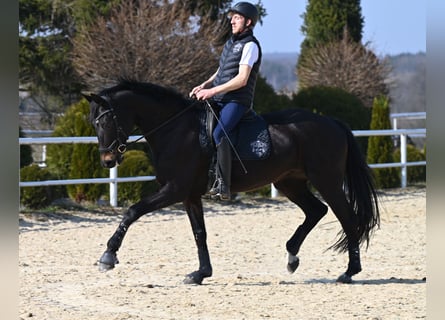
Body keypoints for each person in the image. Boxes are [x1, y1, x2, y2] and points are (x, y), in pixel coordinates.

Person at [190, 1, 262, 201]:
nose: (232, 20)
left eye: (237, 18)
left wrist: (213, 91)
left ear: (248, 22)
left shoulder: (250, 46)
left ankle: (223, 185)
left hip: (237, 101)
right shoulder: (232, 43)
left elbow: (242, 79)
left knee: (220, 133)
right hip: (221, 97)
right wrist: (205, 84)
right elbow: (222, 69)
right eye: (232, 17)